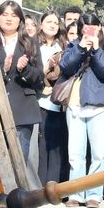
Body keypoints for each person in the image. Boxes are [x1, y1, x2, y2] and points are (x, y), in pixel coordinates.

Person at [57, 14, 104, 208]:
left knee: (98, 154)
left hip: (100, 106)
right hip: (75, 105)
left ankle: (94, 194)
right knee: (75, 154)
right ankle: (75, 193)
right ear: (81, 29)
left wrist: (96, 50)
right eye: (86, 27)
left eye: (93, 27)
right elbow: (65, 67)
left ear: (99, 27)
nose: (90, 30)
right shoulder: (73, 45)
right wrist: (81, 48)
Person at [0, 0, 43, 177]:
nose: (9, 19)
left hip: (22, 108)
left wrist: (24, 69)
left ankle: (19, 192)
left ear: (20, 20)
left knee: (19, 162)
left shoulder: (30, 43)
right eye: (5, 14)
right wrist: (3, 70)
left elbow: (39, 77)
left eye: (13, 15)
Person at [34, 11, 69, 185]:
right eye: (49, 22)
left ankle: (53, 186)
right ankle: (40, 187)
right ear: (41, 25)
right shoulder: (34, 46)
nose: (52, 25)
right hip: (39, 102)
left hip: (59, 103)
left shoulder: (63, 46)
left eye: (55, 22)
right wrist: (46, 68)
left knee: (56, 148)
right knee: (41, 147)